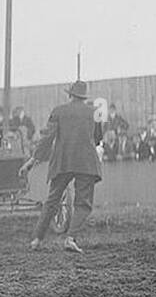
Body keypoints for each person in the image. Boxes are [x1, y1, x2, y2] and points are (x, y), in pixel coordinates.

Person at [21, 79, 102, 254]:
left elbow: (47, 139)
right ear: (84, 96)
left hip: (63, 161)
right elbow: (97, 140)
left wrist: (32, 161)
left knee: (51, 201)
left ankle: (36, 239)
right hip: (86, 162)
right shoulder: (95, 113)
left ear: (71, 95)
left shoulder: (58, 111)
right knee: (83, 204)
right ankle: (70, 238)